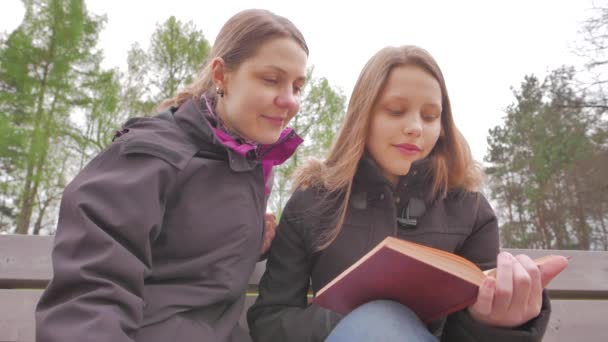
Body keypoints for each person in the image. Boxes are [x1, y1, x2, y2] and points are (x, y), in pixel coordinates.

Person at [247, 45, 569, 342]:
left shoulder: (470, 210)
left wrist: (495, 322)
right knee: (377, 321)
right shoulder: (313, 201)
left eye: (430, 116)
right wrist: (347, 318)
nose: (416, 127)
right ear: (363, 117)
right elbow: (270, 321)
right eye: (396, 111)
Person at [35, 9, 308, 342]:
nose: (289, 100)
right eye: (271, 80)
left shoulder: (244, 163)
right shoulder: (151, 154)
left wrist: (253, 243)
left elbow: (186, 256)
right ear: (221, 76)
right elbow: (90, 290)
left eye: (297, 86)